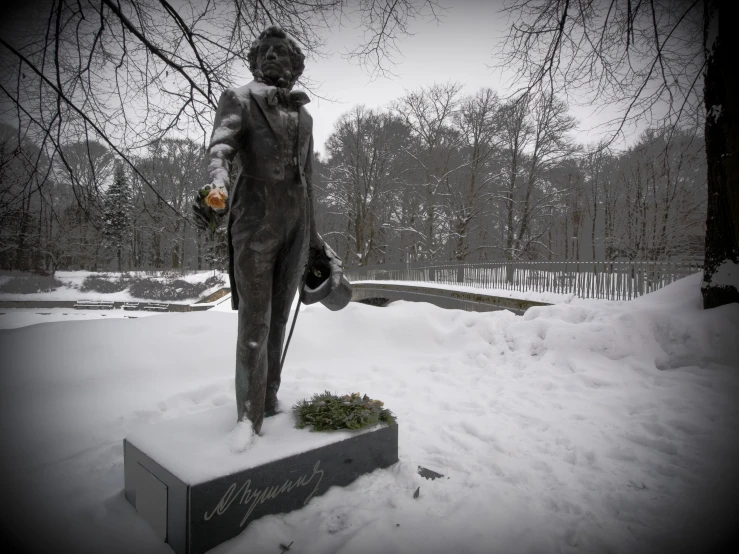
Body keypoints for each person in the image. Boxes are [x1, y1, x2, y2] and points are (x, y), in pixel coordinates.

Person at [192, 26, 342, 435]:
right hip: (255, 217)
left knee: (278, 320)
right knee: (255, 323)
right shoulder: (239, 99)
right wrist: (217, 183)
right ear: (255, 61)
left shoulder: (305, 116)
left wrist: (315, 239)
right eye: (266, 53)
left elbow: (309, 180)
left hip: (296, 221)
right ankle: (248, 420)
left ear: (295, 66)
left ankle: (269, 400)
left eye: (282, 53)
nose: (273, 58)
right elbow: (221, 146)